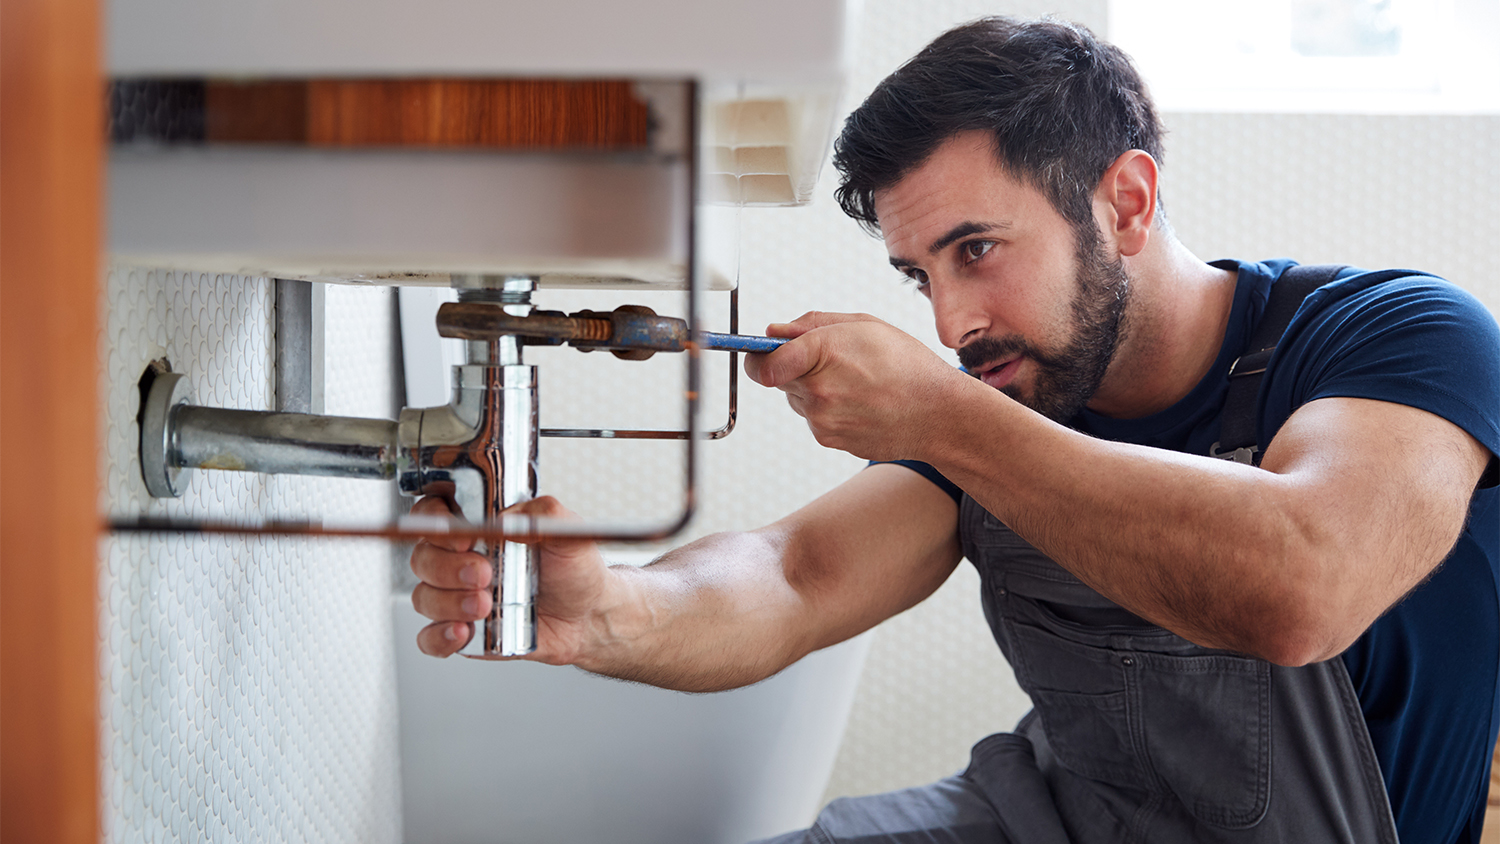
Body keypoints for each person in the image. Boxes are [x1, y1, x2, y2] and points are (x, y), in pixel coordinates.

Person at [409, 16, 1500, 844]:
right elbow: (795, 572)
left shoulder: (1396, 337)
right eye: (916, 273)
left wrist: (946, 411)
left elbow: (1304, 586)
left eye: (977, 249)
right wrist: (614, 608)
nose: (949, 321)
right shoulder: (1010, 398)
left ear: (1124, 202)